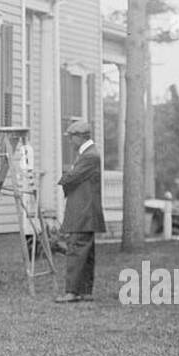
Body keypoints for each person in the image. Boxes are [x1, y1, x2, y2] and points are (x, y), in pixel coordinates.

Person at [54, 119, 106, 304]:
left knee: (76, 250)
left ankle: (72, 292)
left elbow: (72, 177)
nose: (69, 142)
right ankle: (84, 291)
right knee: (86, 251)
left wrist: (63, 178)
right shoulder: (88, 154)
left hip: (83, 212)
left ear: (80, 137)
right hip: (86, 212)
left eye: (71, 138)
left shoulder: (89, 156)